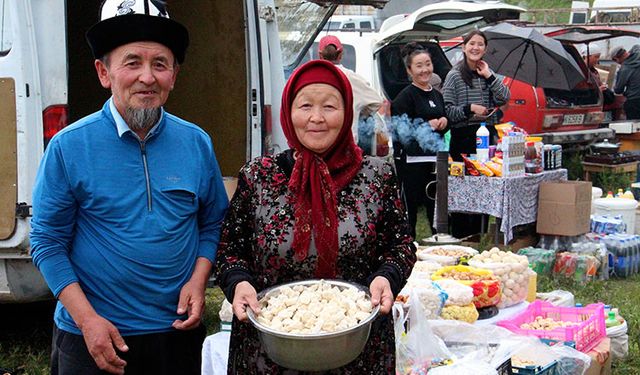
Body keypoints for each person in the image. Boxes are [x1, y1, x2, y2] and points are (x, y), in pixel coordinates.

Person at [29, 1, 229, 374]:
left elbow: (213, 222)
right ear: (104, 72)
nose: (147, 77)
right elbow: (46, 241)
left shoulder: (196, 143)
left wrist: (199, 280)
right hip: (92, 335)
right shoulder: (69, 146)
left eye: (160, 64)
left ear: (175, 74)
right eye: (132, 62)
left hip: (177, 334)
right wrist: (88, 321)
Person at [214, 59, 416, 374]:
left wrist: (386, 277)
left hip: (359, 348)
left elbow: (400, 245)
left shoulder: (377, 176)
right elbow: (230, 248)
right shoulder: (258, 177)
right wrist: (238, 282)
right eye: (305, 105)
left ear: (347, 111)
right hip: (269, 350)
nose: (317, 118)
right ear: (288, 111)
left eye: (330, 107)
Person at [442, 30, 510, 239]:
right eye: (472, 44)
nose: (476, 48)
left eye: (480, 44)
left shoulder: (488, 73)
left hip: (487, 136)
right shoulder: (454, 75)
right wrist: (470, 108)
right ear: (464, 47)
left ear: (485, 49)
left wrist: (489, 76)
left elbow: (504, 97)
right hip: (463, 137)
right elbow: (448, 112)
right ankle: (462, 237)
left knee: (485, 186)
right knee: (464, 189)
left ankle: (478, 235)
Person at [391, 42, 448, 238]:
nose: (425, 70)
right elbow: (401, 134)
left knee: (436, 207)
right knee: (411, 210)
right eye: (419, 65)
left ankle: (439, 242)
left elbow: (443, 122)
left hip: (434, 161)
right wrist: (426, 125)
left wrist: (444, 121)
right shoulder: (403, 98)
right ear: (409, 70)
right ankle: (408, 244)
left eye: (428, 64)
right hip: (411, 163)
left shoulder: (436, 95)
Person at [318, 35, 383, 144]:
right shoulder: (353, 78)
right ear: (341, 54)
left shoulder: (311, 77)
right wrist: (358, 112)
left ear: (320, 55)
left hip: (317, 143)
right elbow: (376, 101)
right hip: (346, 147)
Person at [611, 45, 640, 120]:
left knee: (635, 127)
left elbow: (618, 90)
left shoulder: (624, 69)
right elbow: (636, 46)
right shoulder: (638, 55)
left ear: (616, 58)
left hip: (634, 101)